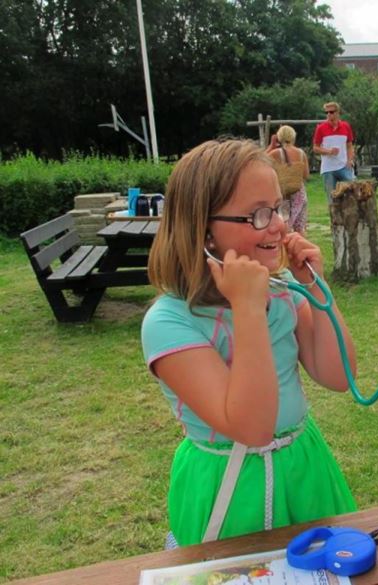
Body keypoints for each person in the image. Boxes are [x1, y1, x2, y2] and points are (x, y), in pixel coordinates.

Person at [142, 138, 357, 548]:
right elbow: (252, 427)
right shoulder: (169, 322)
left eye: (277, 208)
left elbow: (338, 374)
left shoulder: (284, 289)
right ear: (204, 228)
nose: (278, 225)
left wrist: (314, 284)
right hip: (227, 484)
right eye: (258, 214)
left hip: (303, 468)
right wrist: (247, 308)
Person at [266, 125, 310, 234]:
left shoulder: (276, 153)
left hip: (284, 194)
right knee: (300, 229)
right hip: (300, 194)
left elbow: (259, 160)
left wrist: (271, 146)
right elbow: (306, 175)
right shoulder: (301, 153)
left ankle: (284, 250)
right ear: (293, 136)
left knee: (285, 227)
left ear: (279, 137)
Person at [313, 102, 355, 203]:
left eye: (331, 112)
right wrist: (328, 151)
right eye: (326, 112)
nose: (329, 114)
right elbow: (315, 148)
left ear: (338, 112)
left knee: (352, 192)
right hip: (328, 168)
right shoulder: (321, 128)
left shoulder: (346, 126)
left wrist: (350, 160)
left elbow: (350, 146)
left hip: (344, 166)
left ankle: (350, 217)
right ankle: (335, 218)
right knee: (332, 198)